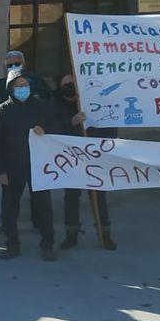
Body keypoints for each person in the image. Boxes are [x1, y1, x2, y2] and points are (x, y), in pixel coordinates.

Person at [0, 69, 59, 261]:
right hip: (12, 167)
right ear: (10, 88)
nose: (23, 89)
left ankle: (47, 245)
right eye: (18, 86)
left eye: (25, 85)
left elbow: (57, 127)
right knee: (10, 208)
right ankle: (12, 245)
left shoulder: (41, 106)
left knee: (43, 207)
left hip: (39, 165)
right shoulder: (1, 111)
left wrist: (45, 130)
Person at [52, 73, 117, 251]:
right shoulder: (56, 104)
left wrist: (107, 148)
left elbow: (109, 126)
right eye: (66, 83)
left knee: (99, 196)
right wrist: (71, 122)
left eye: (73, 83)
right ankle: (71, 235)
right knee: (72, 196)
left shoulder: (94, 103)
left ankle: (105, 235)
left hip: (94, 158)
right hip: (70, 158)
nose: (70, 86)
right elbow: (52, 128)